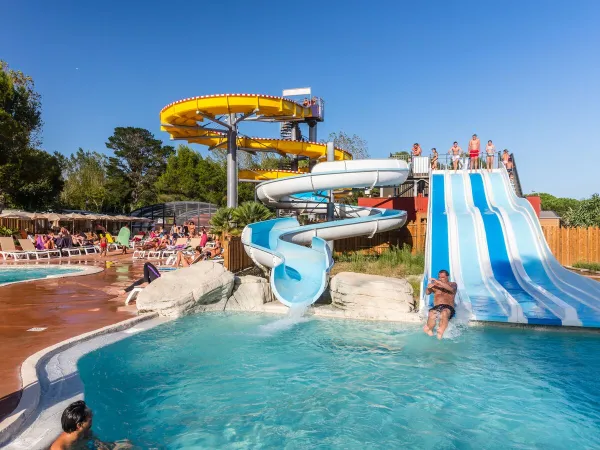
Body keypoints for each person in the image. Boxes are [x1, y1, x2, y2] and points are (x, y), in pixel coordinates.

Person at [423, 269, 458, 339]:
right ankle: (429, 329)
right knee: (431, 313)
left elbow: (451, 289)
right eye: (439, 277)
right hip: (437, 306)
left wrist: (438, 282)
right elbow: (427, 293)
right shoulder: (436, 285)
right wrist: (429, 287)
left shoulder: (453, 284)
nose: (440, 279)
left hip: (448, 307)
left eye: (443, 277)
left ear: (447, 277)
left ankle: (440, 332)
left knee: (444, 312)